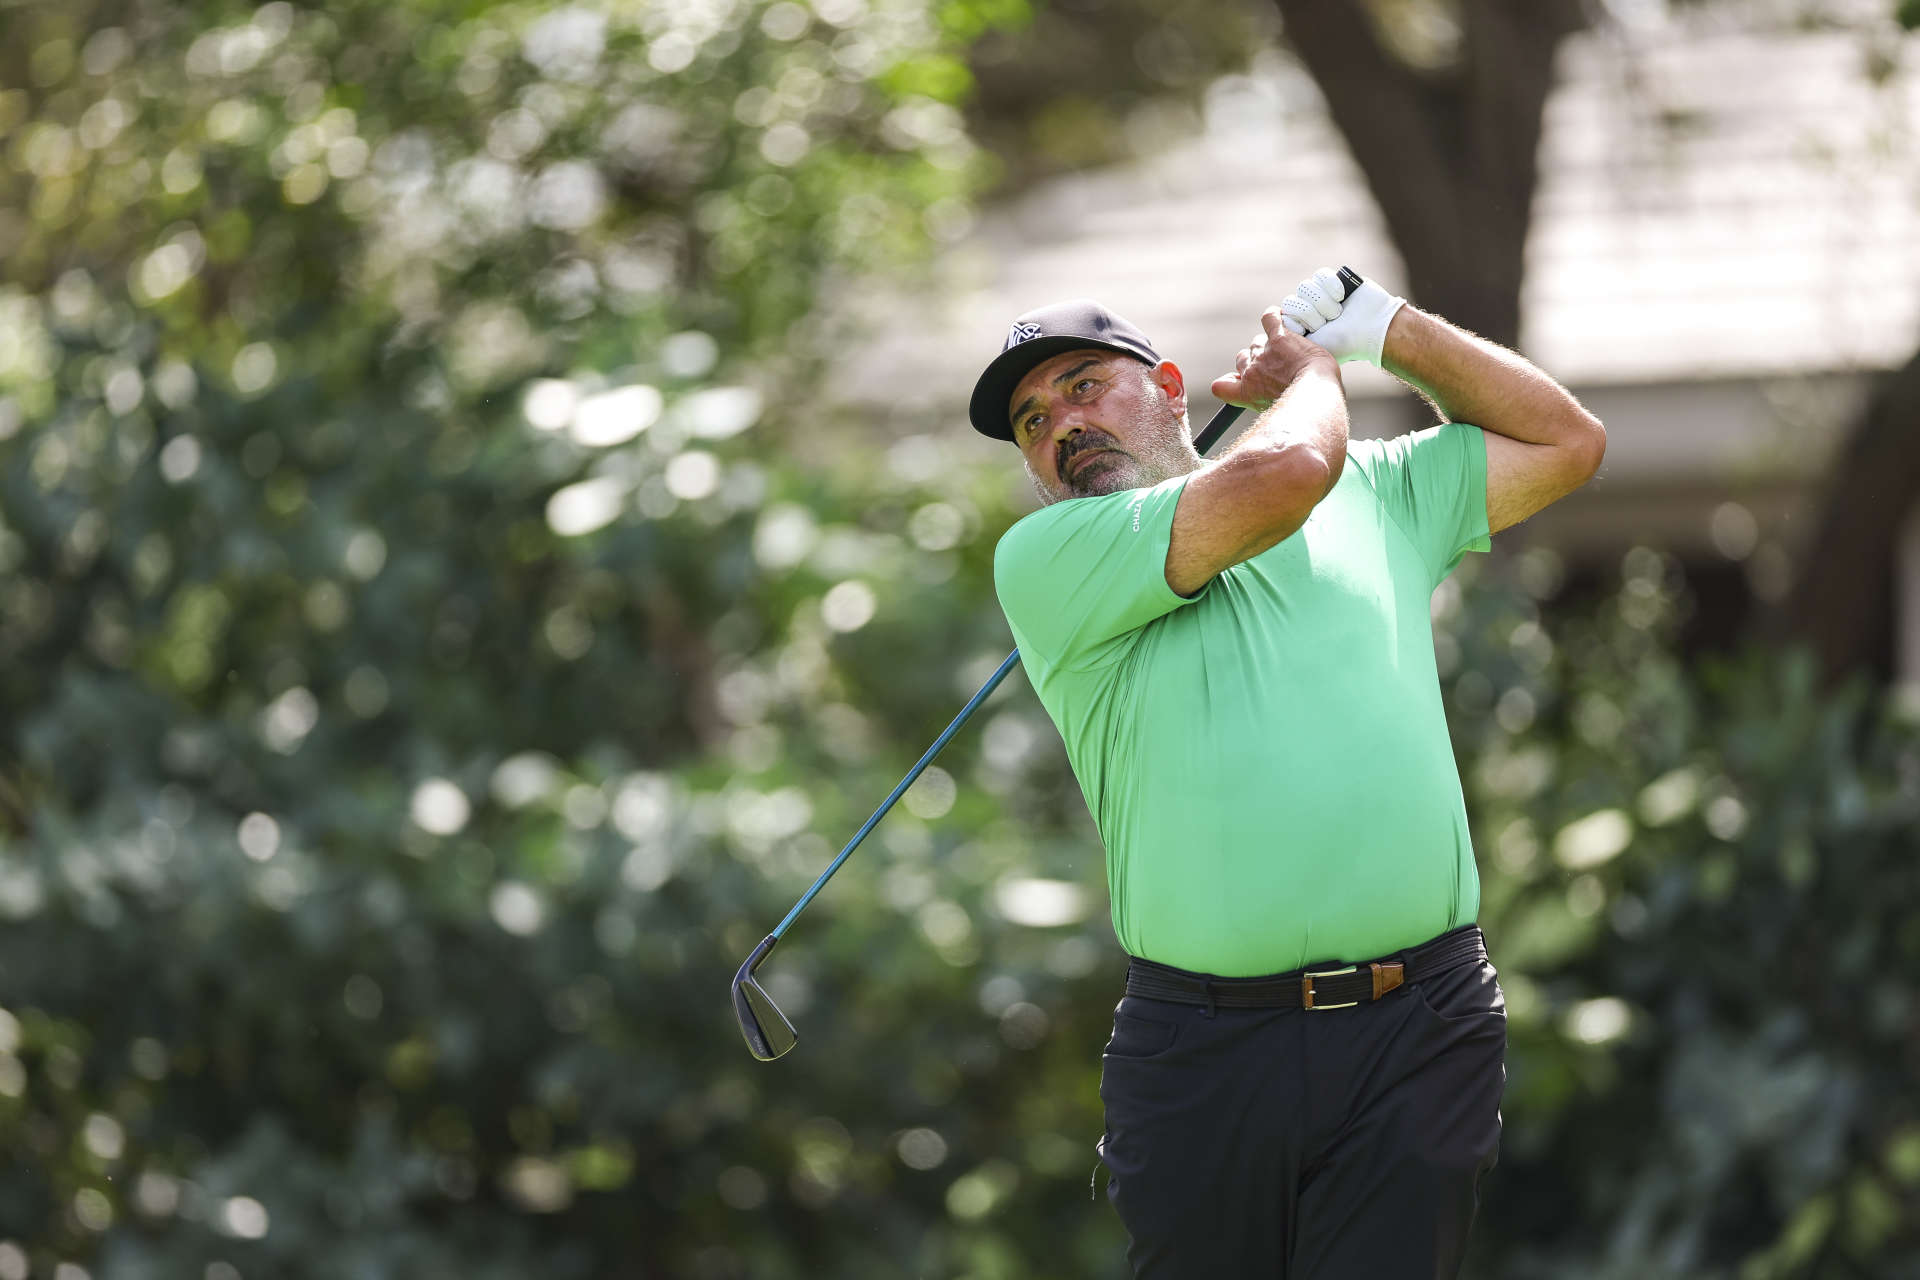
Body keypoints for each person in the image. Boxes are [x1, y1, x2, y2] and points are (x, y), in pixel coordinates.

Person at [971, 267, 1606, 1278]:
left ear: (1173, 387)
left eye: (1085, 386)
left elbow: (1569, 443)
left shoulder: (1382, 488)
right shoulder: (1050, 553)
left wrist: (1392, 332)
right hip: (1206, 1049)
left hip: (1420, 1024)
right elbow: (1280, 479)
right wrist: (1315, 372)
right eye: (1033, 420)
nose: (1061, 425)